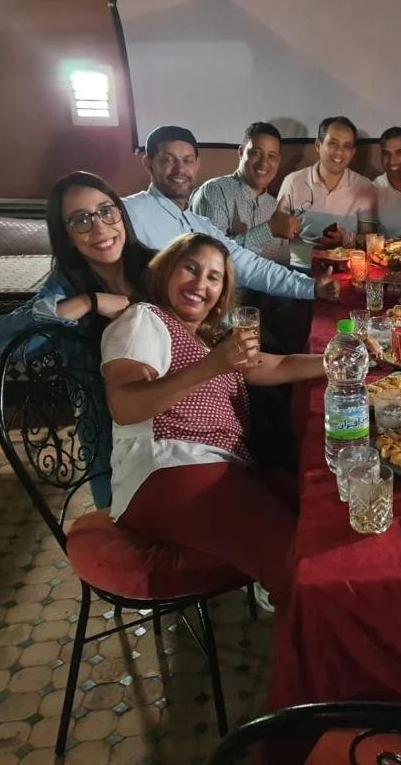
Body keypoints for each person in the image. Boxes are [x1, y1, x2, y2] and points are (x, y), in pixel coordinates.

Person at [100, 232, 330, 602]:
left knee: (325, 513)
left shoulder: (210, 339)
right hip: (167, 468)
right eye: (190, 269)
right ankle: (310, 624)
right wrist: (211, 366)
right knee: (299, 564)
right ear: (166, 270)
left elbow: (281, 364)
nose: (199, 284)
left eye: (213, 277)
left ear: (222, 293)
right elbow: (125, 407)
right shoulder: (144, 319)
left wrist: (345, 356)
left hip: (222, 466)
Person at [0, 171, 156, 509]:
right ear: (65, 235)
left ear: (120, 213)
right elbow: (4, 341)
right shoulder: (65, 287)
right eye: (81, 220)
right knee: (122, 520)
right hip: (109, 434)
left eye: (106, 211)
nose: (100, 228)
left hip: (179, 413)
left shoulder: (159, 265)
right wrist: (88, 302)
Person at [123, 125, 338, 302]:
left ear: (197, 165)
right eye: (168, 160)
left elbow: (250, 266)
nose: (180, 170)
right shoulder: (128, 211)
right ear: (149, 164)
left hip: (219, 319)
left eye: (187, 160)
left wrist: (311, 287)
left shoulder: (200, 225)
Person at [190, 121, 298, 264]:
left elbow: (282, 265)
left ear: (279, 161)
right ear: (241, 153)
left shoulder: (275, 207)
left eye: (272, 156)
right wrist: (269, 229)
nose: (263, 163)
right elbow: (211, 258)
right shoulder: (215, 191)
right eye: (256, 153)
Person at [276, 116, 377, 248]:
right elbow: (276, 228)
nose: (339, 152)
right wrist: (287, 233)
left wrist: (345, 240)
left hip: (344, 259)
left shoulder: (364, 186)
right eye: (333, 143)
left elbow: (369, 237)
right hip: (299, 258)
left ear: (353, 153)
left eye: (347, 146)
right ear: (318, 145)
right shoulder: (293, 182)